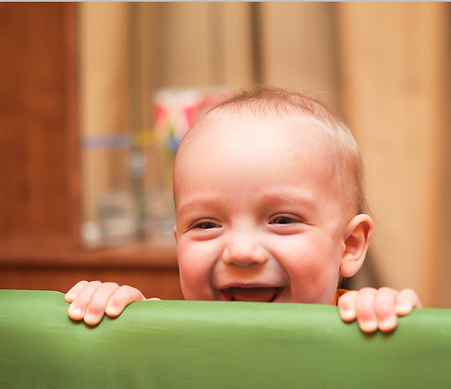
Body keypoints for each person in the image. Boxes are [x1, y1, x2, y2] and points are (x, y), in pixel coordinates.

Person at [66, 87, 421, 333]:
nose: (240, 252)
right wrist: (120, 325)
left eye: (282, 220)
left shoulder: (365, 329)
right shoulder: (166, 334)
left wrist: (399, 333)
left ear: (350, 245)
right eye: (206, 225)